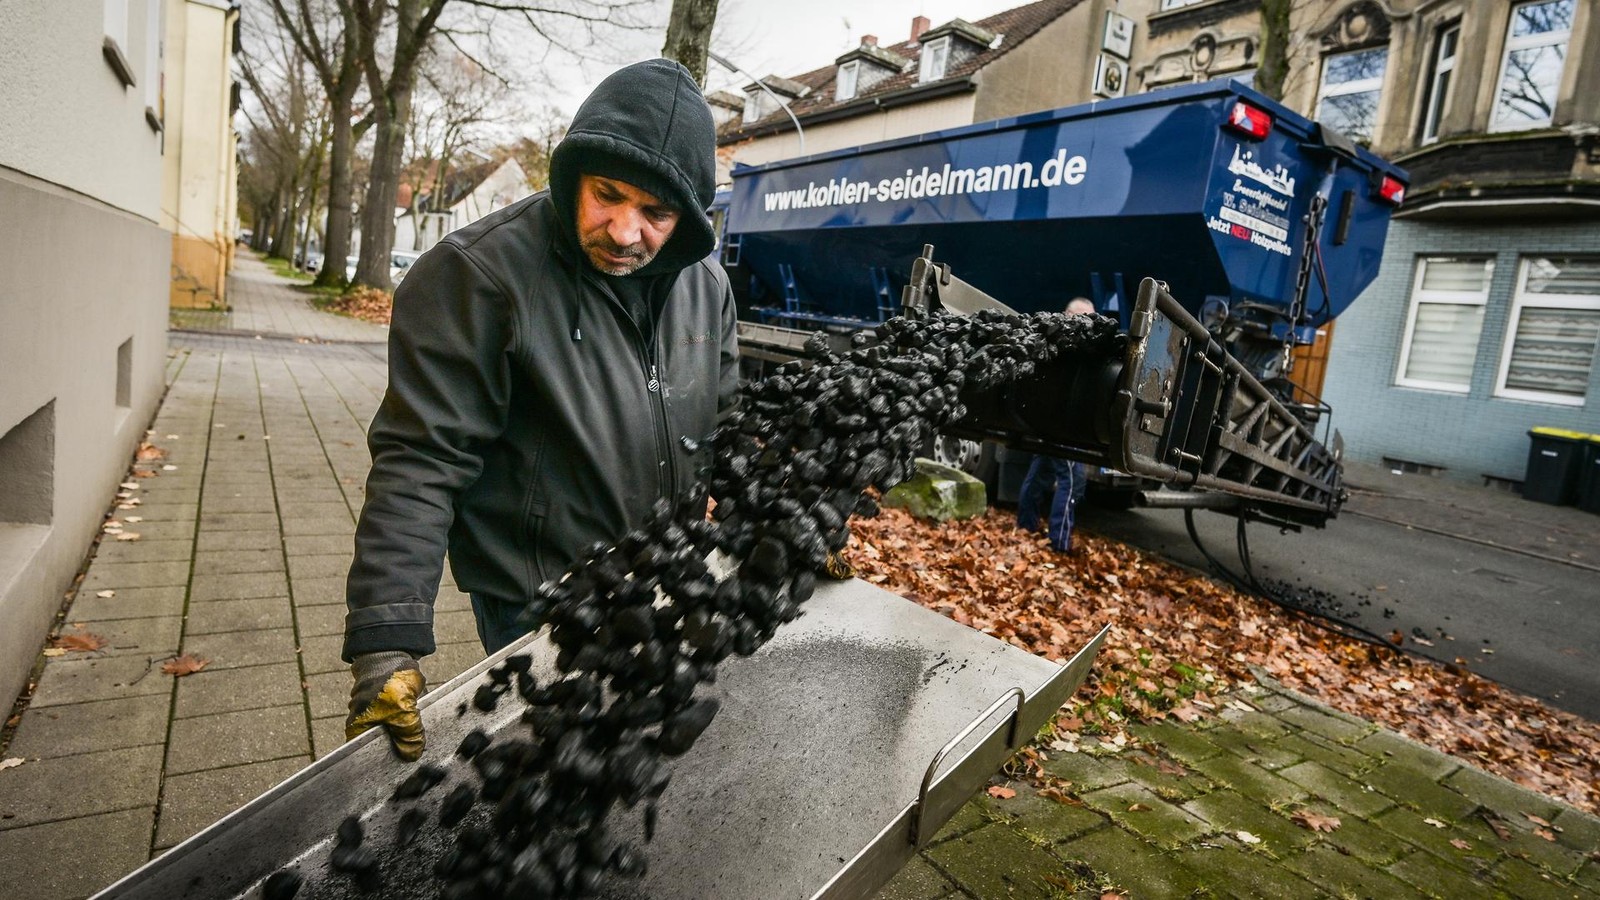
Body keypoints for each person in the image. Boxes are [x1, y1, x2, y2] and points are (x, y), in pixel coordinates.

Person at [341, 59, 739, 760]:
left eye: (655, 212)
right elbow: (421, 460)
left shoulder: (706, 283)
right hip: (538, 592)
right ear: (573, 174)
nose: (624, 232)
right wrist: (385, 641)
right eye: (608, 195)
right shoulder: (478, 275)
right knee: (564, 761)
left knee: (638, 754)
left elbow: (728, 421)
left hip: (663, 570)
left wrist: (773, 520)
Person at [1015, 297, 1096, 554]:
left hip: (1049, 422)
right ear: (1067, 315)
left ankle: (1025, 528)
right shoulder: (1074, 346)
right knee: (1072, 481)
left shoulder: (1051, 337)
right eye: (1081, 317)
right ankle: (1059, 543)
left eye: (1090, 318)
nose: (1086, 323)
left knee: (1040, 475)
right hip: (1064, 426)